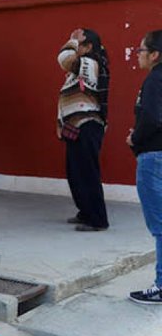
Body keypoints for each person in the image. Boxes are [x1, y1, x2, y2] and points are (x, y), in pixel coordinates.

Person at [57, 29, 110, 232]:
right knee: (76, 173)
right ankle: (85, 212)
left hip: (87, 125)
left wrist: (71, 40)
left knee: (87, 174)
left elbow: (64, 58)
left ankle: (97, 219)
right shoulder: (81, 67)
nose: (74, 46)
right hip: (76, 126)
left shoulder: (90, 63)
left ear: (88, 47)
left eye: (79, 43)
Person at [127, 30, 162, 304]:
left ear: (154, 54)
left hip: (153, 157)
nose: (138, 54)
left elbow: (151, 118)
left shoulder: (154, 80)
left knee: (159, 224)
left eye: (141, 50)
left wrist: (135, 138)